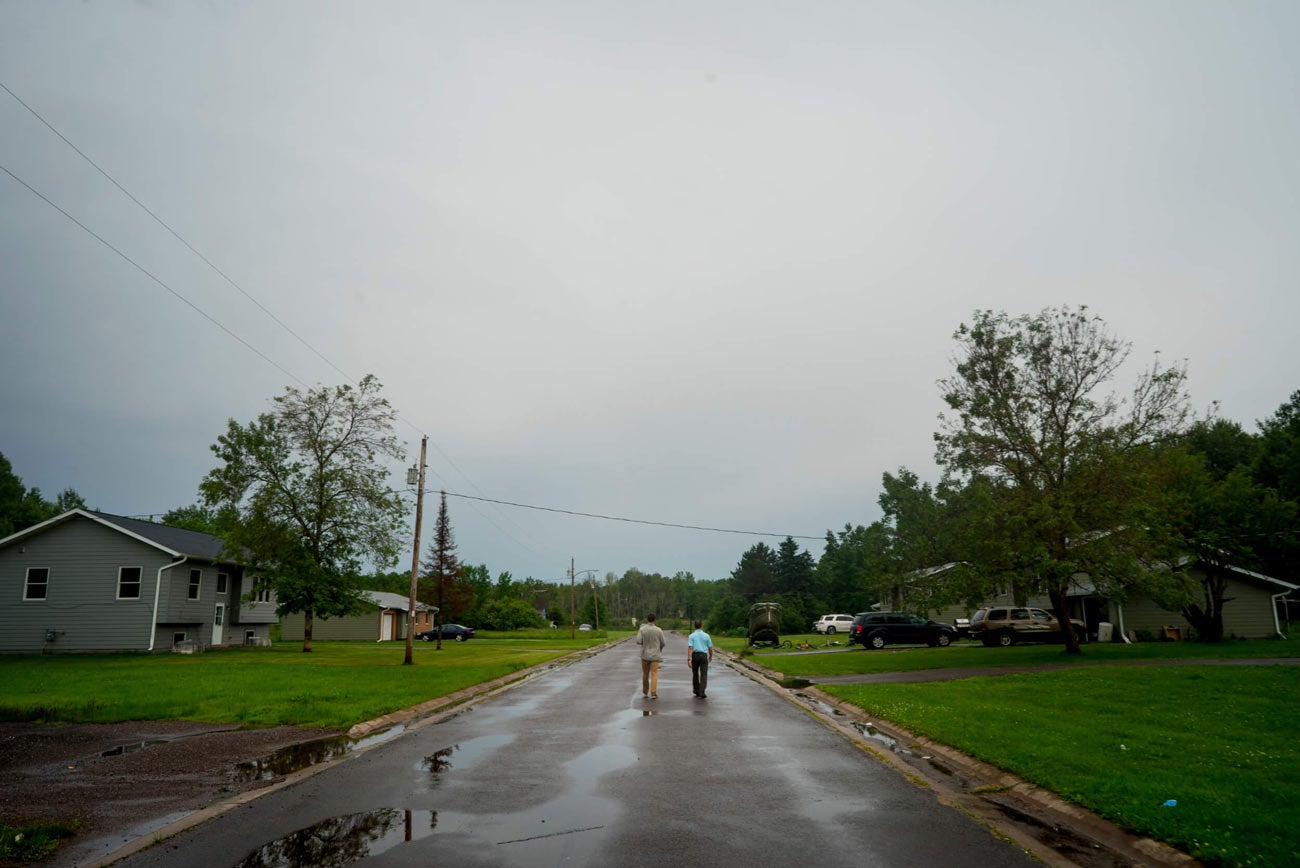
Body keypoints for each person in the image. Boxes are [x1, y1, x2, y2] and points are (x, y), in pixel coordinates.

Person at [636, 613, 666, 699]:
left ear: (647, 619)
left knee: (645, 673)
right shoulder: (659, 630)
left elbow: (638, 641)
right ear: (654, 620)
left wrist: (644, 643)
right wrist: (660, 648)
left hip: (645, 654)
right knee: (654, 673)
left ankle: (645, 691)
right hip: (655, 655)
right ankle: (653, 692)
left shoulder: (642, 629)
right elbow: (663, 642)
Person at [686, 620, 714, 698]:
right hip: (703, 655)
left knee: (695, 673)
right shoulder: (706, 635)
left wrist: (689, 659)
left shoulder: (691, 636)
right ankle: (702, 691)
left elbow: (690, 647)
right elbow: (710, 647)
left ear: (694, 626)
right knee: (704, 674)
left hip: (695, 655)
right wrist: (711, 655)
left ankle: (696, 690)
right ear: (701, 626)